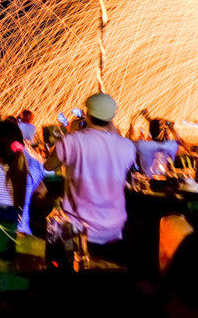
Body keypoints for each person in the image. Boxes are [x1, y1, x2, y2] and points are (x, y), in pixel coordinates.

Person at [44, 92, 136, 246]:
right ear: (112, 118)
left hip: (78, 230)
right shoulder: (128, 146)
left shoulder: (72, 140)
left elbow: (48, 165)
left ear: (87, 114)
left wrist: (72, 133)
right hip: (114, 228)